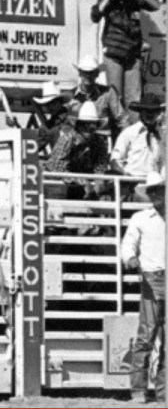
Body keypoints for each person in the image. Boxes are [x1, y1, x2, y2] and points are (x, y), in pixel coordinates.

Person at [120, 172, 166, 404]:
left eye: (160, 189)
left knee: (153, 335)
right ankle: (140, 389)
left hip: (156, 276)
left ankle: (162, 391)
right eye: (153, 191)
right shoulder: (140, 218)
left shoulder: (142, 218)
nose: (156, 194)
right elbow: (128, 244)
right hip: (152, 277)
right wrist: (130, 258)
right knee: (147, 336)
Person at [92, 0, 161, 107]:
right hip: (113, 54)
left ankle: (133, 127)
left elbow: (156, 6)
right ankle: (118, 128)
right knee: (115, 97)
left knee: (134, 99)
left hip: (133, 55)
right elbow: (95, 16)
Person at [44, 101, 110, 201]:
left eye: (92, 125)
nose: (89, 129)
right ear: (78, 125)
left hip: (82, 184)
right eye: (85, 125)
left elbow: (100, 166)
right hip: (58, 183)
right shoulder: (67, 139)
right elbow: (56, 166)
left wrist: (99, 179)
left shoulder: (100, 142)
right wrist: (79, 180)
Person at [67, 54, 128, 135]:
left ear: (97, 74)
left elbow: (122, 120)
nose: (88, 76)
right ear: (80, 74)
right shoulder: (71, 96)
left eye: (91, 72)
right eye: (85, 72)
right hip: (78, 140)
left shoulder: (108, 93)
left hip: (102, 140)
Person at [111, 93, 164, 179]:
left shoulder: (162, 135)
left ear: (157, 113)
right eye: (147, 111)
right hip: (131, 181)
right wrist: (124, 176)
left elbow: (163, 163)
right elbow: (115, 160)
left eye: (153, 111)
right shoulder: (129, 133)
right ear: (141, 112)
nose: (150, 114)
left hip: (153, 183)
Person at [28, 81, 72, 156]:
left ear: (60, 102)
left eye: (53, 103)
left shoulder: (73, 118)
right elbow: (34, 146)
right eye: (47, 104)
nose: (50, 107)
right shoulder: (47, 126)